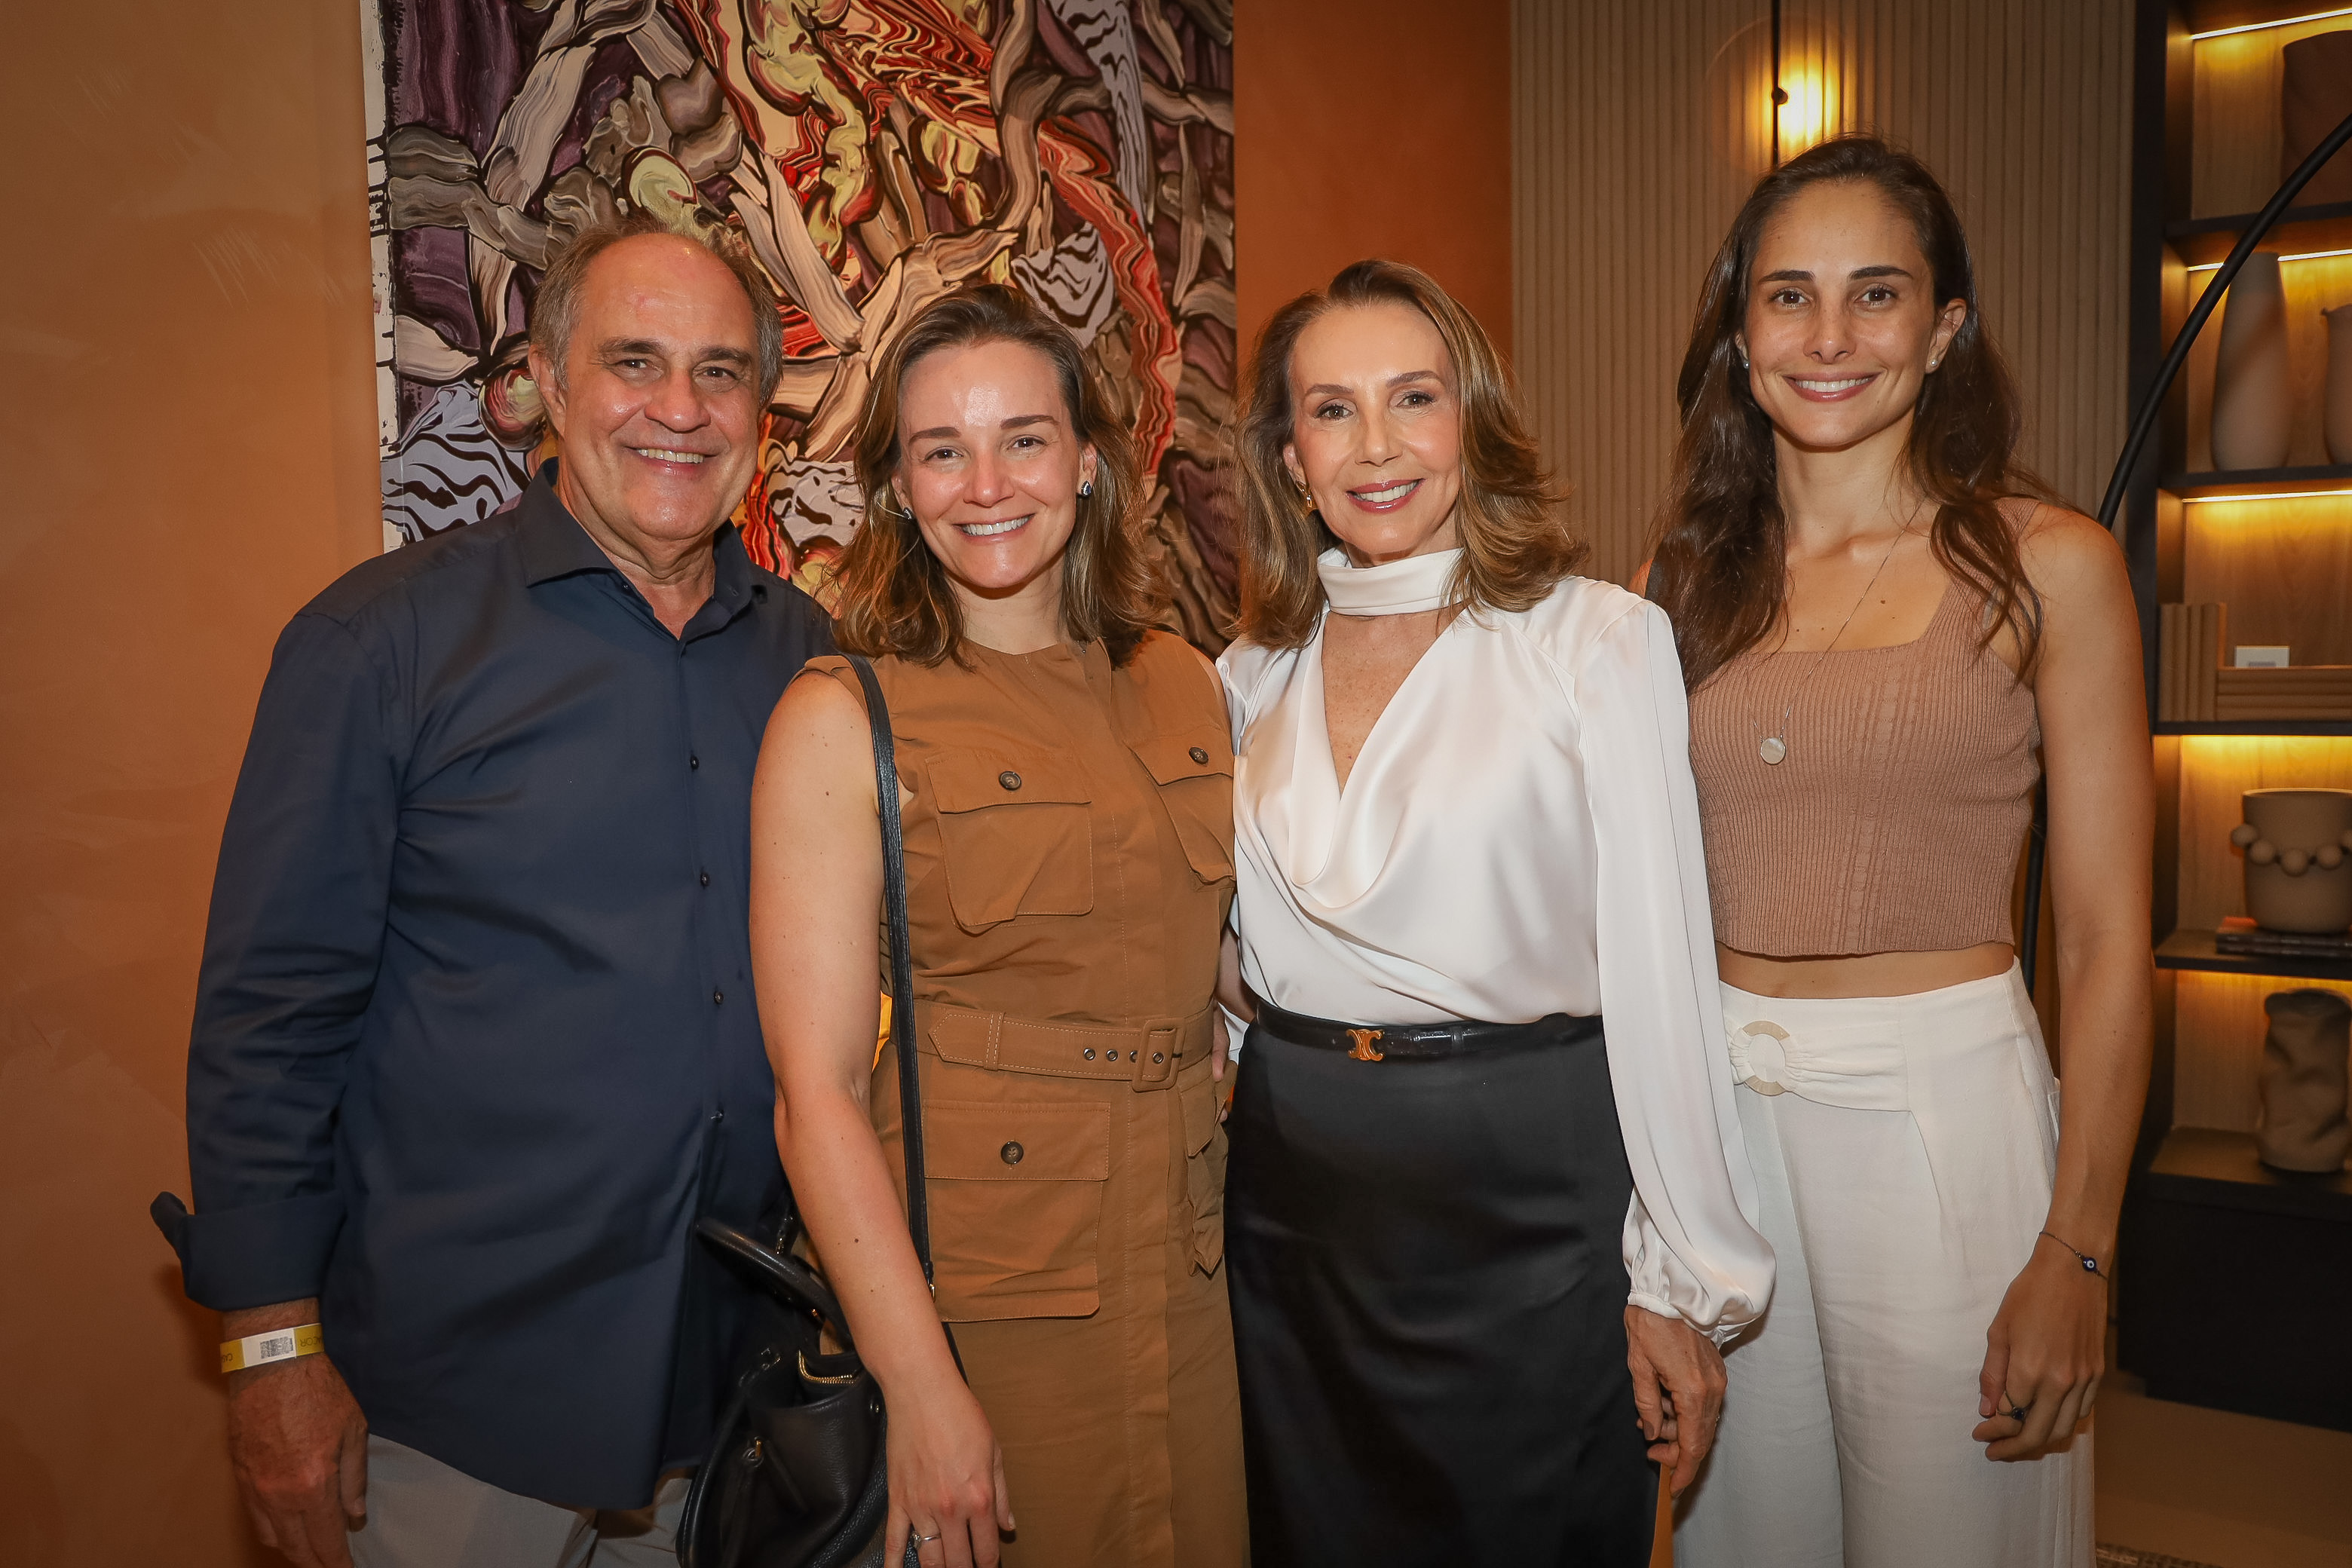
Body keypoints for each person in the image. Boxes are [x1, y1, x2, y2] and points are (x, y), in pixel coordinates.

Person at [152, 212, 835, 1568]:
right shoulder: (381, 640)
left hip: (729, 1394)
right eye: (634, 361)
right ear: (547, 378)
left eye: (719, 373)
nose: (678, 411)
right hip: (455, 1410)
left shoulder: (810, 659)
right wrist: (273, 1354)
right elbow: (272, 1016)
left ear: (764, 408)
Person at [1214, 258, 1777, 1566]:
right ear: (1289, 460)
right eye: (1331, 411)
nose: (1376, 446)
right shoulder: (1244, 678)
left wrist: (1682, 1276)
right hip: (1296, 1208)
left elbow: (1661, 971)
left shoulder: (1595, 641)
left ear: (1473, 419)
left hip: (1530, 1201)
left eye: (1414, 398)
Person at [1646, 136, 2151, 1568]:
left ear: (1944, 331)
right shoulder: (1673, 588)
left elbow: (2111, 939)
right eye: (1789, 297)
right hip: (1724, 1132)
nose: (1829, 336)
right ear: (1742, 339)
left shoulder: (2047, 563)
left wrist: (2078, 1249)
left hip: (1945, 1128)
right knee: (1744, 1543)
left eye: (1877, 295)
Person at [749, 283, 1245, 1568]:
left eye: (1023, 438)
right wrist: (916, 1387)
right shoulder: (840, 715)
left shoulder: (1184, 679)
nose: (986, 484)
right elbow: (814, 1099)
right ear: (896, 489)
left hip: (1189, 1268)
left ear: (1088, 461)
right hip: (984, 1290)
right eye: (939, 451)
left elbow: (1219, 960)